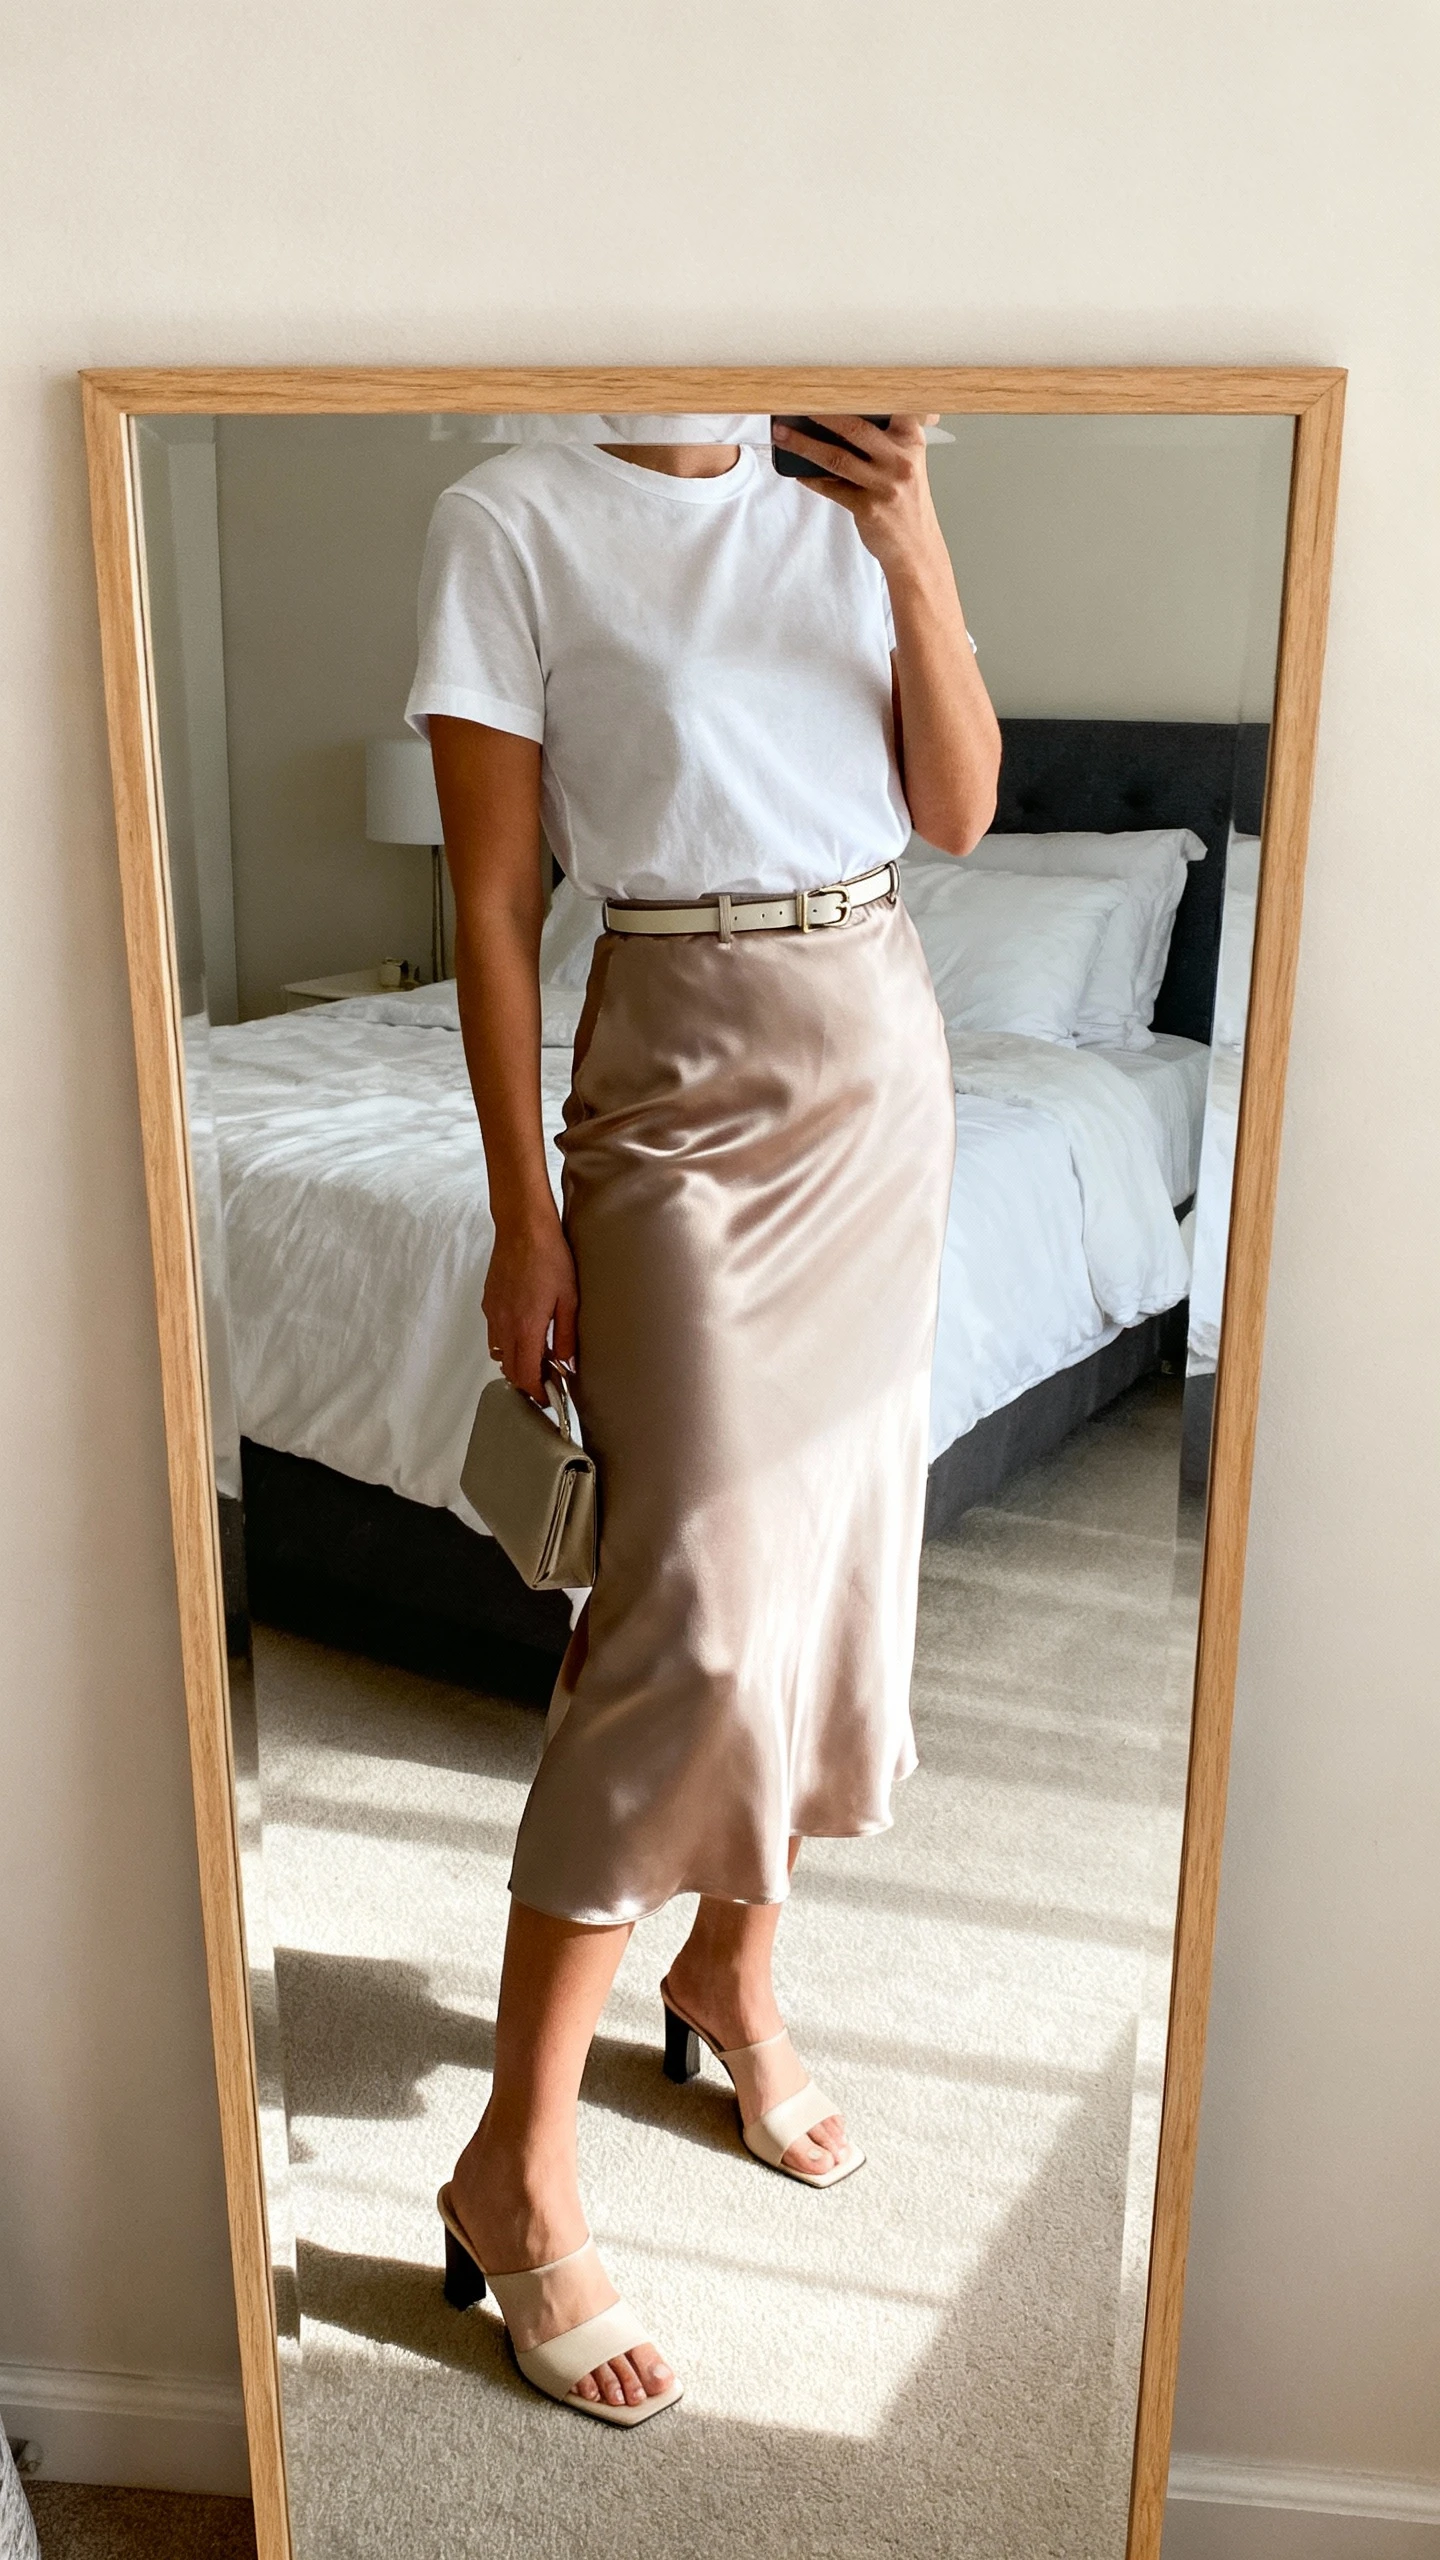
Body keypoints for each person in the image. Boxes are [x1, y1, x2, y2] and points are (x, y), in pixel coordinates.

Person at [406, 412, 999, 2424]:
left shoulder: (854, 482)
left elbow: (965, 803)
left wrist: (911, 535)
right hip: (671, 1070)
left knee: (833, 1568)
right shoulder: (511, 511)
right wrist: (523, 1209)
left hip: (880, 1047)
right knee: (691, 1611)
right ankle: (515, 2159)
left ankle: (733, 1969)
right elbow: (494, 902)